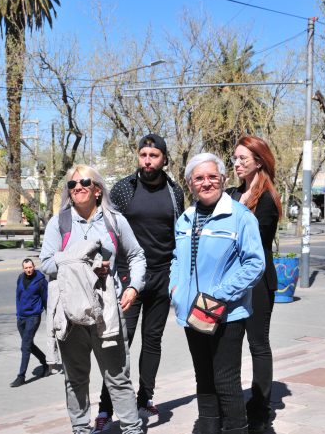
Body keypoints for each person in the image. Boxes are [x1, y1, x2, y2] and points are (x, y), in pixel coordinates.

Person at [39, 164, 147, 434]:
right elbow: (46, 264)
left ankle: (132, 429)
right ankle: (81, 429)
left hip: (107, 312)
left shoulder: (114, 220)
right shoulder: (59, 222)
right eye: (72, 185)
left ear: (97, 189)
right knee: (75, 379)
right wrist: (82, 262)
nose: (77, 188)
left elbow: (136, 256)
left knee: (118, 378)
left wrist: (134, 287)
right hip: (70, 314)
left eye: (84, 183)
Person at [93, 134, 185, 431]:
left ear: (164, 159)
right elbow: (107, 227)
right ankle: (106, 406)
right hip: (128, 276)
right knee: (120, 343)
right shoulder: (124, 188)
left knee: (153, 340)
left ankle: (145, 396)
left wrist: (178, 274)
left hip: (162, 275)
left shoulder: (174, 192)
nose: (147, 160)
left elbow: (179, 232)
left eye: (153, 155)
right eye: (143, 154)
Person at [169, 153, 265, 434]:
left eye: (213, 176)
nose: (206, 182)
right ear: (190, 184)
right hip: (192, 313)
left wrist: (221, 295)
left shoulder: (240, 217)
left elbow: (255, 263)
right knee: (204, 379)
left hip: (226, 313)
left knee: (225, 380)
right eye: (199, 178)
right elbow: (176, 259)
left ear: (223, 179)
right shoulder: (186, 218)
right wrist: (174, 289)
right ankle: (209, 428)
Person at [226, 135, 282, 433]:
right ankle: (233, 402)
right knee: (230, 342)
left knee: (258, 344)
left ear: (259, 161)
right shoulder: (232, 195)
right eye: (234, 158)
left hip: (258, 281)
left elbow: (251, 242)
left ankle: (261, 408)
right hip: (232, 282)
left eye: (243, 159)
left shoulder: (268, 198)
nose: (237, 163)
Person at [10, 258, 49, 387]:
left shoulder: (41, 280)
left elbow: (45, 298)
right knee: (29, 344)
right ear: (23, 268)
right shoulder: (20, 278)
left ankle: (21, 376)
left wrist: (49, 314)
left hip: (33, 317)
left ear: (34, 266)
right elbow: (18, 296)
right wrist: (18, 314)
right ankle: (45, 362)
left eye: (30, 267)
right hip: (21, 317)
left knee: (25, 346)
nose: (28, 270)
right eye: (26, 268)